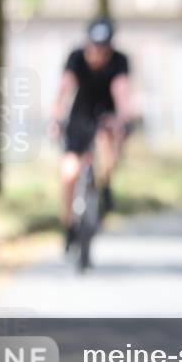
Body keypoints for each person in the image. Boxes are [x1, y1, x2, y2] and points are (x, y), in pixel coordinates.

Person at [48, 17, 131, 249]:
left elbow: (121, 91)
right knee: (69, 174)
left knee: (108, 144)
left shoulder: (119, 61)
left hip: (106, 115)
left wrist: (123, 120)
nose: (98, 53)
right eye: (95, 46)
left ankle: (105, 186)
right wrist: (56, 118)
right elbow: (63, 89)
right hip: (79, 117)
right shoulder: (76, 58)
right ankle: (69, 225)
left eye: (103, 47)